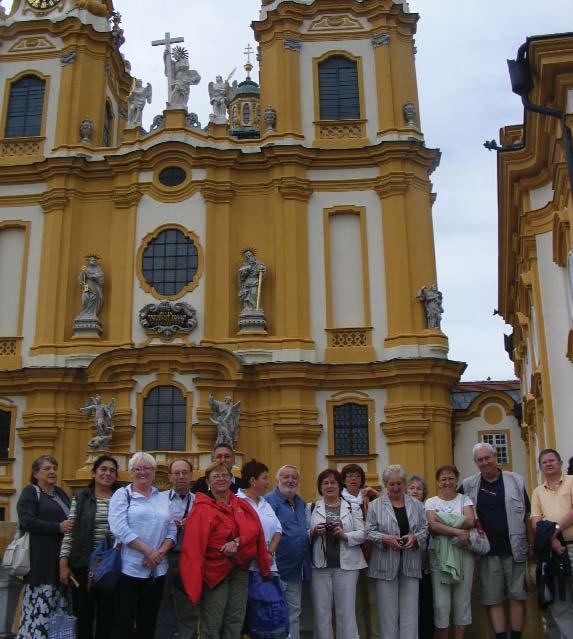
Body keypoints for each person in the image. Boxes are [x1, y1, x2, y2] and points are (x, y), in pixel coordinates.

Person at [179, 461, 271, 639]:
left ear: (231, 480)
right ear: (208, 482)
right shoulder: (201, 507)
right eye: (216, 476)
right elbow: (194, 544)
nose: (221, 478)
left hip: (239, 569)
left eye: (224, 475)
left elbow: (254, 530)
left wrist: (237, 542)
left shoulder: (241, 504)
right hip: (214, 572)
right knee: (213, 621)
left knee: (235, 619)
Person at [459, 442, 532, 639]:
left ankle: (515, 636)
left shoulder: (516, 480)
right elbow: (453, 507)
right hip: (486, 551)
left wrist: (531, 544)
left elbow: (527, 515)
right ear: (476, 463)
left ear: (495, 457)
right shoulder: (468, 485)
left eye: (487, 458)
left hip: (514, 547)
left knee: (518, 595)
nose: (485, 463)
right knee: (494, 599)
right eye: (480, 460)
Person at [108, 452, 177, 639]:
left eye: (147, 468)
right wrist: (148, 552)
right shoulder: (122, 495)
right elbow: (119, 528)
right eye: (138, 468)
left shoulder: (163, 498)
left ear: (154, 472)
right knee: (124, 620)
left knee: (149, 620)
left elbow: (172, 529)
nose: (143, 472)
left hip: (157, 569)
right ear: (131, 472)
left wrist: (159, 553)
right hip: (128, 568)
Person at [59, 455, 119, 639]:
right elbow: (70, 531)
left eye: (111, 470)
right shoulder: (81, 497)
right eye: (103, 469)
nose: (107, 474)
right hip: (84, 564)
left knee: (108, 617)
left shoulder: (122, 497)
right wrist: (64, 562)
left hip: (111, 565)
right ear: (94, 473)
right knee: (83, 616)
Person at [367, 464, 428, 639]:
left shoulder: (416, 504)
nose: (395, 487)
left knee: (410, 612)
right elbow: (368, 531)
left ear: (404, 483)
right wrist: (385, 539)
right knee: (387, 614)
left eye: (399, 483)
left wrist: (415, 538)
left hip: (410, 563)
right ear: (386, 484)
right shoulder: (375, 505)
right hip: (385, 564)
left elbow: (425, 528)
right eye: (391, 484)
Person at [16, 455, 73, 639]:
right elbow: (26, 521)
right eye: (47, 468)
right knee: (39, 609)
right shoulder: (31, 492)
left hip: (60, 560)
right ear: (35, 473)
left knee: (59, 610)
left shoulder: (60, 493)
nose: (52, 472)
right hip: (41, 561)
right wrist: (57, 527)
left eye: (54, 468)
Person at [308, 468, 366, 639]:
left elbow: (363, 533)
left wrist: (344, 535)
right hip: (320, 566)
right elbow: (302, 534)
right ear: (320, 487)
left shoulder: (352, 507)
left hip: (347, 566)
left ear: (340, 485)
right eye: (325, 482)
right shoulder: (310, 508)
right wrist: (313, 532)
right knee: (321, 611)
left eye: (333, 482)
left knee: (346, 612)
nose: (329, 485)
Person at [425, 465, 476, 639]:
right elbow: (432, 524)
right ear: (438, 483)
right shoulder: (431, 502)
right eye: (443, 479)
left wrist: (442, 521)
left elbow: (470, 521)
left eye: (451, 478)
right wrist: (457, 531)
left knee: (462, 601)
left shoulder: (465, 499)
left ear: (457, 480)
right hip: (438, 556)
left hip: (463, 554)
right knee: (441, 604)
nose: (447, 482)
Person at [531, 449, 573, 638]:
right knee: (559, 600)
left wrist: (553, 532)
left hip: (571, 544)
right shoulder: (538, 491)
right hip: (553, 551)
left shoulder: (572, 482)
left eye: (551, 460)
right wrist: (552, 540)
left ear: (560, 463)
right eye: (544, 462)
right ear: (540, 467)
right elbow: (536, 521)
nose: (548, 464)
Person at [266, 465, 311, 639]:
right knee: (274, 613)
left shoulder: (301, 503)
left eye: (294, 477)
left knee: (294, 612)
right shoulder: (269, 501)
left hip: (296, 569)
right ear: (278, 480)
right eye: (286, 477)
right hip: (276, 568)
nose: (290, 480)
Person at [155, 459, 198, 639]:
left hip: (188, 558)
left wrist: (192, 524)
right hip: (163, 556)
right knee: (159, 604)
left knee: (189, 606)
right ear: (170, 476)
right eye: (177, 473)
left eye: (185, 472)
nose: (181, 477)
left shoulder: (200, 502)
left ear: (191, 476)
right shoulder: (158, 499)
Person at [340, 463, 379, 639]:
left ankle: (376, 635)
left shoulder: (369, 498)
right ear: (344, 480)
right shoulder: (339, 500)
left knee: (374, 601)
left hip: (372, 554)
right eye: (349, 476)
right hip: (350, 556)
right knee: (355, 603)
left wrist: (377, 495)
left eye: (356, 475)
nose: (353, 478)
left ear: (362, 479)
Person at [406, 475, 434, 639]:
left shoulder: (427, 510)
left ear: (424, 493)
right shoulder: (400, 510)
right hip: (406, 566)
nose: (415, 491)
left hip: (426, 567)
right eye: (411, 488)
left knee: (425, 607)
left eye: (419, 488)